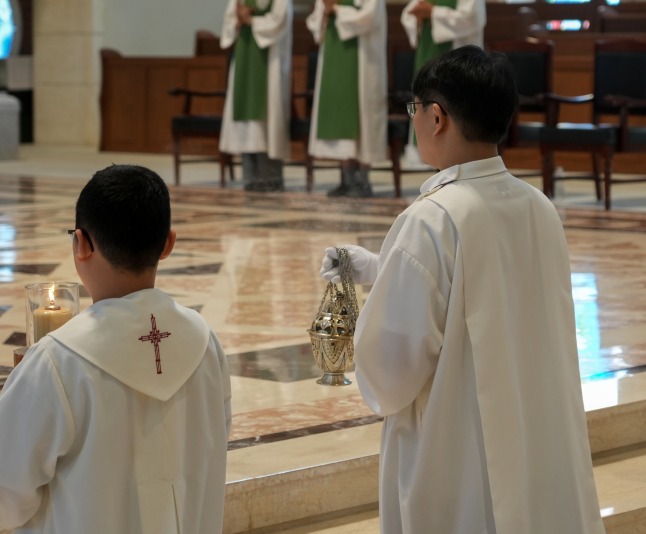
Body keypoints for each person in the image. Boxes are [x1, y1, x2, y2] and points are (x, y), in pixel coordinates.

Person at [320, 46, 605, 533]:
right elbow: (493, 287)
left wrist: (371, 310)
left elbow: (393, 368)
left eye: (414, 109)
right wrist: (382, 270)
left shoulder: (432, 219)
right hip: (532, 434)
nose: (413, 121)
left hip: (458, 450)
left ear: (436, 117)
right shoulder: (537, 205)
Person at [0, 165, 232, 533]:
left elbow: (6, 497)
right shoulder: (205, 342)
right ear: (168, 243)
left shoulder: (58, 360)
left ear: (81, 244)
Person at [306, 0, 387, 198]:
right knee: (339, 118)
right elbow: (315, 20)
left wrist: (336, 9)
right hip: (334, 55)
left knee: (363, 122)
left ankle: (364, 181)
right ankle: (346, 179)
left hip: (364, 61)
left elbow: (369, 18)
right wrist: (325, 13)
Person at [399, 0, 485, 167]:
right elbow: (409, 13)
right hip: (427, 52)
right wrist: (418, 17)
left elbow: (472, 18)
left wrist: (433, 13)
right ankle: (433, 164)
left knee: (457, 111)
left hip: (459, 60)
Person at [219, 0, 293, 192]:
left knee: (267, 123)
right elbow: (229, 22)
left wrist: (251, 20)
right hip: (244, 58)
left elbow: (279, 22)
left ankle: (271, 179)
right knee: (247, 127)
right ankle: (250, 178)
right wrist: (238, 20)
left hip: (270, 64)